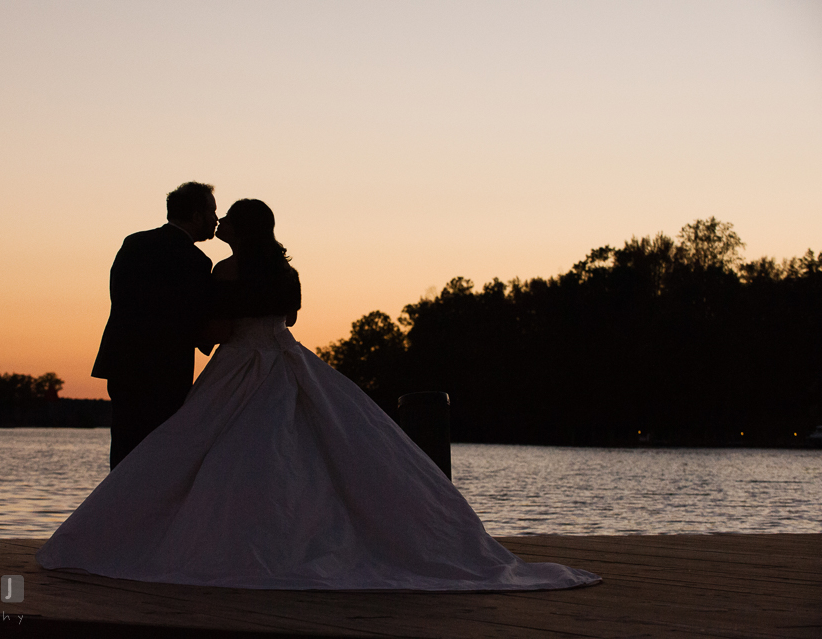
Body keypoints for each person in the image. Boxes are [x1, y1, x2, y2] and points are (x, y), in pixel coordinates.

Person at [38, 200, 600, 590]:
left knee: (214, 454)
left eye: (230, 217)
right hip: (286, 360)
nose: (222, 222)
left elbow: (218, 330)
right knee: (312, 451)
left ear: (244, 228)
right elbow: (288, 317)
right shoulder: (287, 273)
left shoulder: (227, 273)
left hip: (238, 366)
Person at [91, 182, 218, 469]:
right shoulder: (196, 261)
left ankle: (115, 506)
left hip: (122, 362)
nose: (216, 220)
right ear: (197, 216)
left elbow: (118, 295)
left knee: (124, 447)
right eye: (212, 212)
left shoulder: (134, 242)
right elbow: (192, 317)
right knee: (158, 452)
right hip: (165, 370)